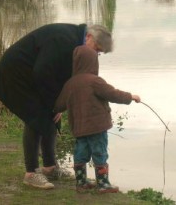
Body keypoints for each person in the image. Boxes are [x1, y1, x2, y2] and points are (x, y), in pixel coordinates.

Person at [0, 23, 113, 189]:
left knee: (50, 115)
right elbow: (42, 71)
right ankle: (31, 173)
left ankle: (50, 167)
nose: (96, 54)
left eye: (99, 53)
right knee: (36, 117)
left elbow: (55, 74)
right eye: (96, 49)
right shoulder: (64, 40)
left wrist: (56, 105)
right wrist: (54, 102)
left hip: (31, 75)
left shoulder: (75, 43)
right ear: (88, 37)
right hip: (15, 75)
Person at [54, 45, 141, 193]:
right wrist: (130, 97)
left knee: (81, 153)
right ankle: (103, 184)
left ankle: (81, 183)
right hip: (97, 127)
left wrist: (57, 111)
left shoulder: (70, 84)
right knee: (100, 152)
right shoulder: (95, 81)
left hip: (79, 129)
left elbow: (60, 103)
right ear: (93, 62)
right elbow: (112, 94)